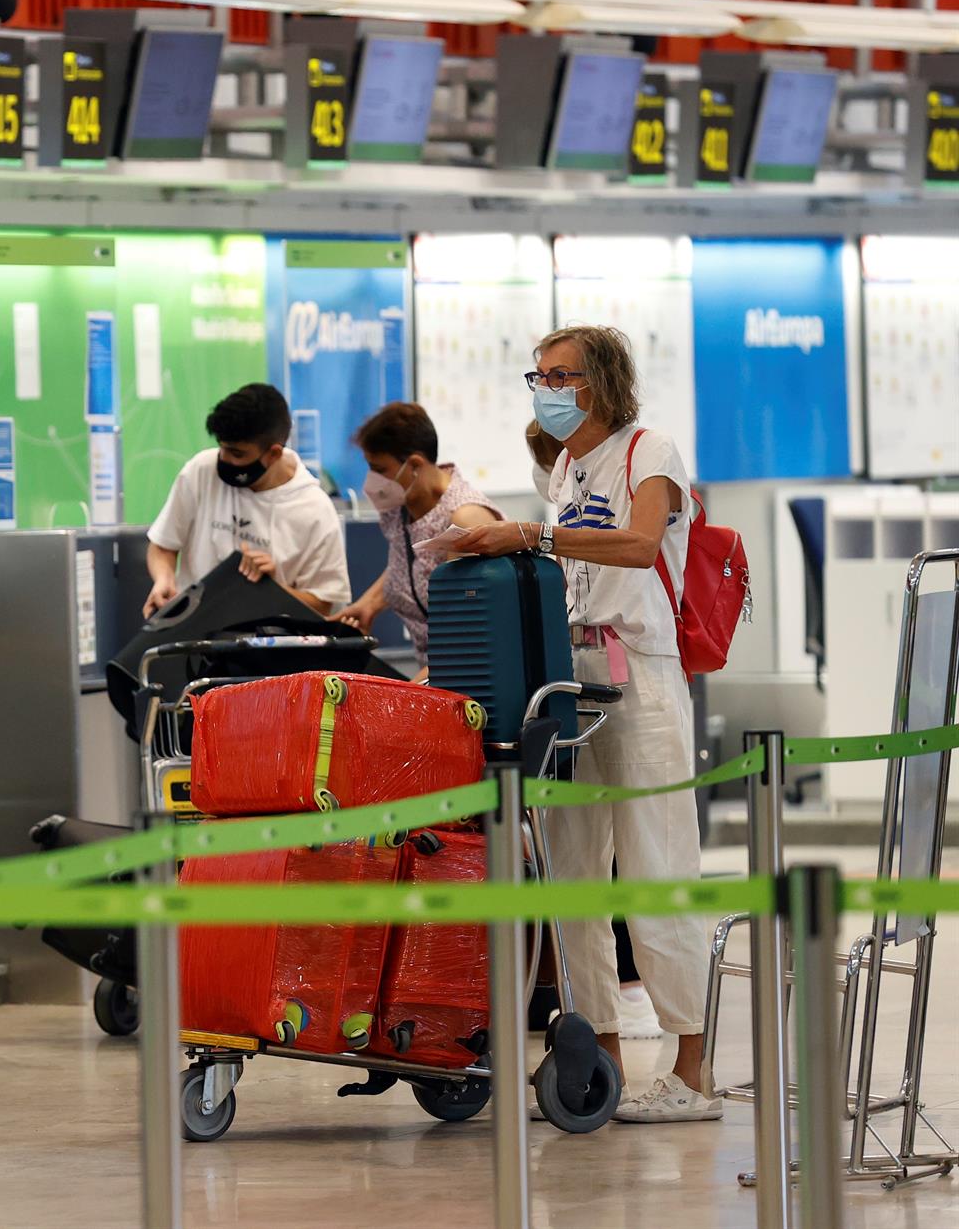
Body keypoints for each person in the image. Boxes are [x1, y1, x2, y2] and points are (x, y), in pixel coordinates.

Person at [452, 324, 713, 1122]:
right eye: (539, 374)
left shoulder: (650, 451)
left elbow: (636, 546)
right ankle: (595, 1061)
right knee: (571, 874)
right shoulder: (566, 466)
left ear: (599, 382)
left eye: (560, 375)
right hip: (572, 682)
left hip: (641, 680)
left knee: (653, 870)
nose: (546, 388)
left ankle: (693, 1072)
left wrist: (533, 532)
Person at [144, 382, 350, 619]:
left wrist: (271, 591)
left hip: (270, 648)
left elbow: (322, 604)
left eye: (237, 454)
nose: (224, 459)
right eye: (222, 448)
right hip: (194, 636)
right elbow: (163, 545)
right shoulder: (201, 471)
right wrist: (164, 580)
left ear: (273, 453)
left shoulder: (314, 509)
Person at [331, 403, 500, 676]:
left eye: (379, 469)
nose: (372, 480)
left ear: (415, 465)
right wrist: (369, 604)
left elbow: (467, 637)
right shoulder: (401, 506)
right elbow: (410, 560)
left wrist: (407, 697)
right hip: (431, 675)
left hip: (474, 677)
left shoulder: (467, 519)